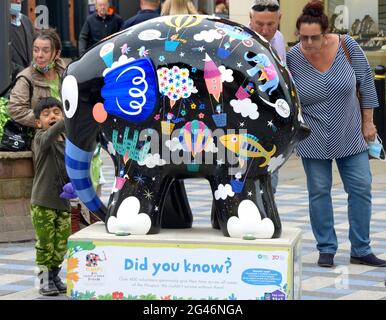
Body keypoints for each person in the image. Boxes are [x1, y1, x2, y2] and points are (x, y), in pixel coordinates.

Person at [287, 0, 386, 268]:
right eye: (303, 37)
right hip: (313, 136)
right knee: (318, 191)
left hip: (350, 131)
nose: (308, 43)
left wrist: (369, 123)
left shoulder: (346, 46)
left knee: (361, 188)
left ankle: (361, 249)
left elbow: (366, 84)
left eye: (314, 37)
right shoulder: (292, 58)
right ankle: (326, 248)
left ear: (325, 32)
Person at [31, 97, 70, 296]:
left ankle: (54, 276)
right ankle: (44, 280)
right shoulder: (40, 138)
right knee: (45, 243)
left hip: (62, 201)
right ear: (38, 122)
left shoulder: (66, 140)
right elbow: (49, 136)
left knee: (61, 243)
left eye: (57, 111)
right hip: (43, 202)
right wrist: (70, 114)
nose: (52, 116)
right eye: (46, 114)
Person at [249, 0, 286, 194]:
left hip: (272, 117)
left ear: (279, 19)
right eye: (259, 24)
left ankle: (268, 210)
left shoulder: (279, 38)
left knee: (270, 171)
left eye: (270, 24)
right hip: (245, 117)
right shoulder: (238, 39)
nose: (264, 30)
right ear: (250, 19)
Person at [8, 28, 65, 128]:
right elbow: (16, 109)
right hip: (42, 140)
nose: (39, 55)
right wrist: (46, 120)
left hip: (69, 138)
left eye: (45, 51)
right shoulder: (26, 78)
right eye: (35, 50)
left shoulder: (67, 74)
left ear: (57, 53)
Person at [9, 0, 34, 81]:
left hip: (29, 83)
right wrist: (26, 73)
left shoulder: (26, 21)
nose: (19, 1)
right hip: (9, 86)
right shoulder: (3, 24)